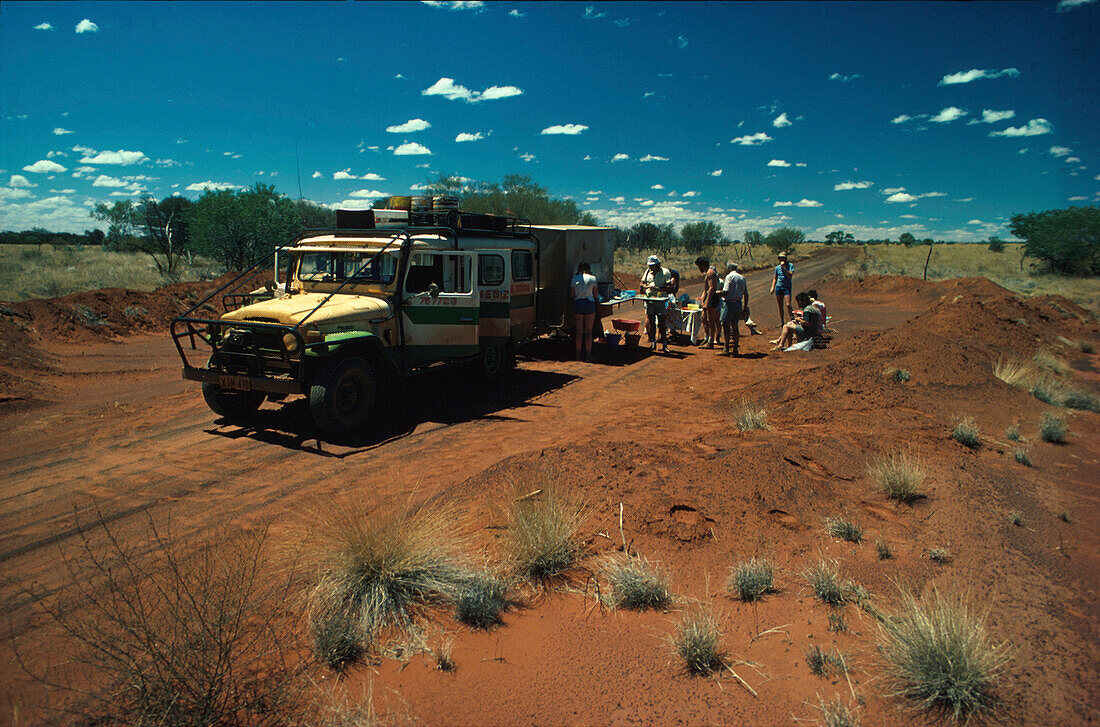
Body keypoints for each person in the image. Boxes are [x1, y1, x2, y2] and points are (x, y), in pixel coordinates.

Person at [639, 254, 672, 352]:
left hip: (660, 300)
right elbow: (642, 283)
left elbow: (669, 286)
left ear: (658, 265)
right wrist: (646, 287)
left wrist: (658, 289)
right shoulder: (647, 272)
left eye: (653, 266)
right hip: (650, 299)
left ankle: (664, 344)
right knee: (651, 321)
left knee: (661, 322)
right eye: (650, 266)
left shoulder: (665, 272)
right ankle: (653, 342)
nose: (651, 268)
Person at [570, 261, 599, 361]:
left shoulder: (574, 279)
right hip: (589, 304)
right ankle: (588, 355)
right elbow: (595, 294)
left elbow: (572, 295)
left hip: (578, 303)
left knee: (579, 331)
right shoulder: (593, 278)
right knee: (588, 331)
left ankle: (578, 355)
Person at [719, 260, 749, 356]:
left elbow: (726, 291)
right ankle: (735, 348)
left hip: (729, 304)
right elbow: (746, 294)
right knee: (735, 326)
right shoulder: (742, 278)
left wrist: (717, 293)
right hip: (738, 304)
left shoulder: (729, 277)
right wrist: (745, 306)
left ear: (728, 268)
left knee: (726, 325)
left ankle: (726, 348)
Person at [694, 256, 721, 349]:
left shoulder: (710, 273)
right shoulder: (708, 273)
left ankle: (710, 342)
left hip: (712, 299)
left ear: (702, 265)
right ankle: (706, 338)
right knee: (704, 319)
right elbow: (706, 290)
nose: (698, 269)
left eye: (698, 267)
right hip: (708, 299)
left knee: (711, 321)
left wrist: (707, 302)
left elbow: (712, 288)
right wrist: (702, 300)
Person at [769, 252, 794, 326]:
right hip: (779, 287)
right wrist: (772, 287)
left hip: (787, 287)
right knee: (780, 306)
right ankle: (782, 322)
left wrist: (784, 268)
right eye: (780, 258)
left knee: (788, 305)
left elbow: (790, 275)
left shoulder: (790, 266)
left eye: (783, 258)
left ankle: (792, 320)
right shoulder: (777, 268)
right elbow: (775, 278)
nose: (781, 260)